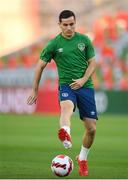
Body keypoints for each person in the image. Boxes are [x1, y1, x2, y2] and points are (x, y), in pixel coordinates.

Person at [27, 10, 98, 176]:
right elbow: (39, 66)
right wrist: (35, 90)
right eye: (65, 25)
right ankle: (65, 133)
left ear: (75, 23)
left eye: (71, 24)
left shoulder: (84, 40)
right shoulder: (53, 44)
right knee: (66, 107)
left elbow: (93, 63)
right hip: (66, 85)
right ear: (59, 25)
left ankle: (82, 158)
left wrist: (83, 79)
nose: (69, 27)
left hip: (85, 86)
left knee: (92, 129)